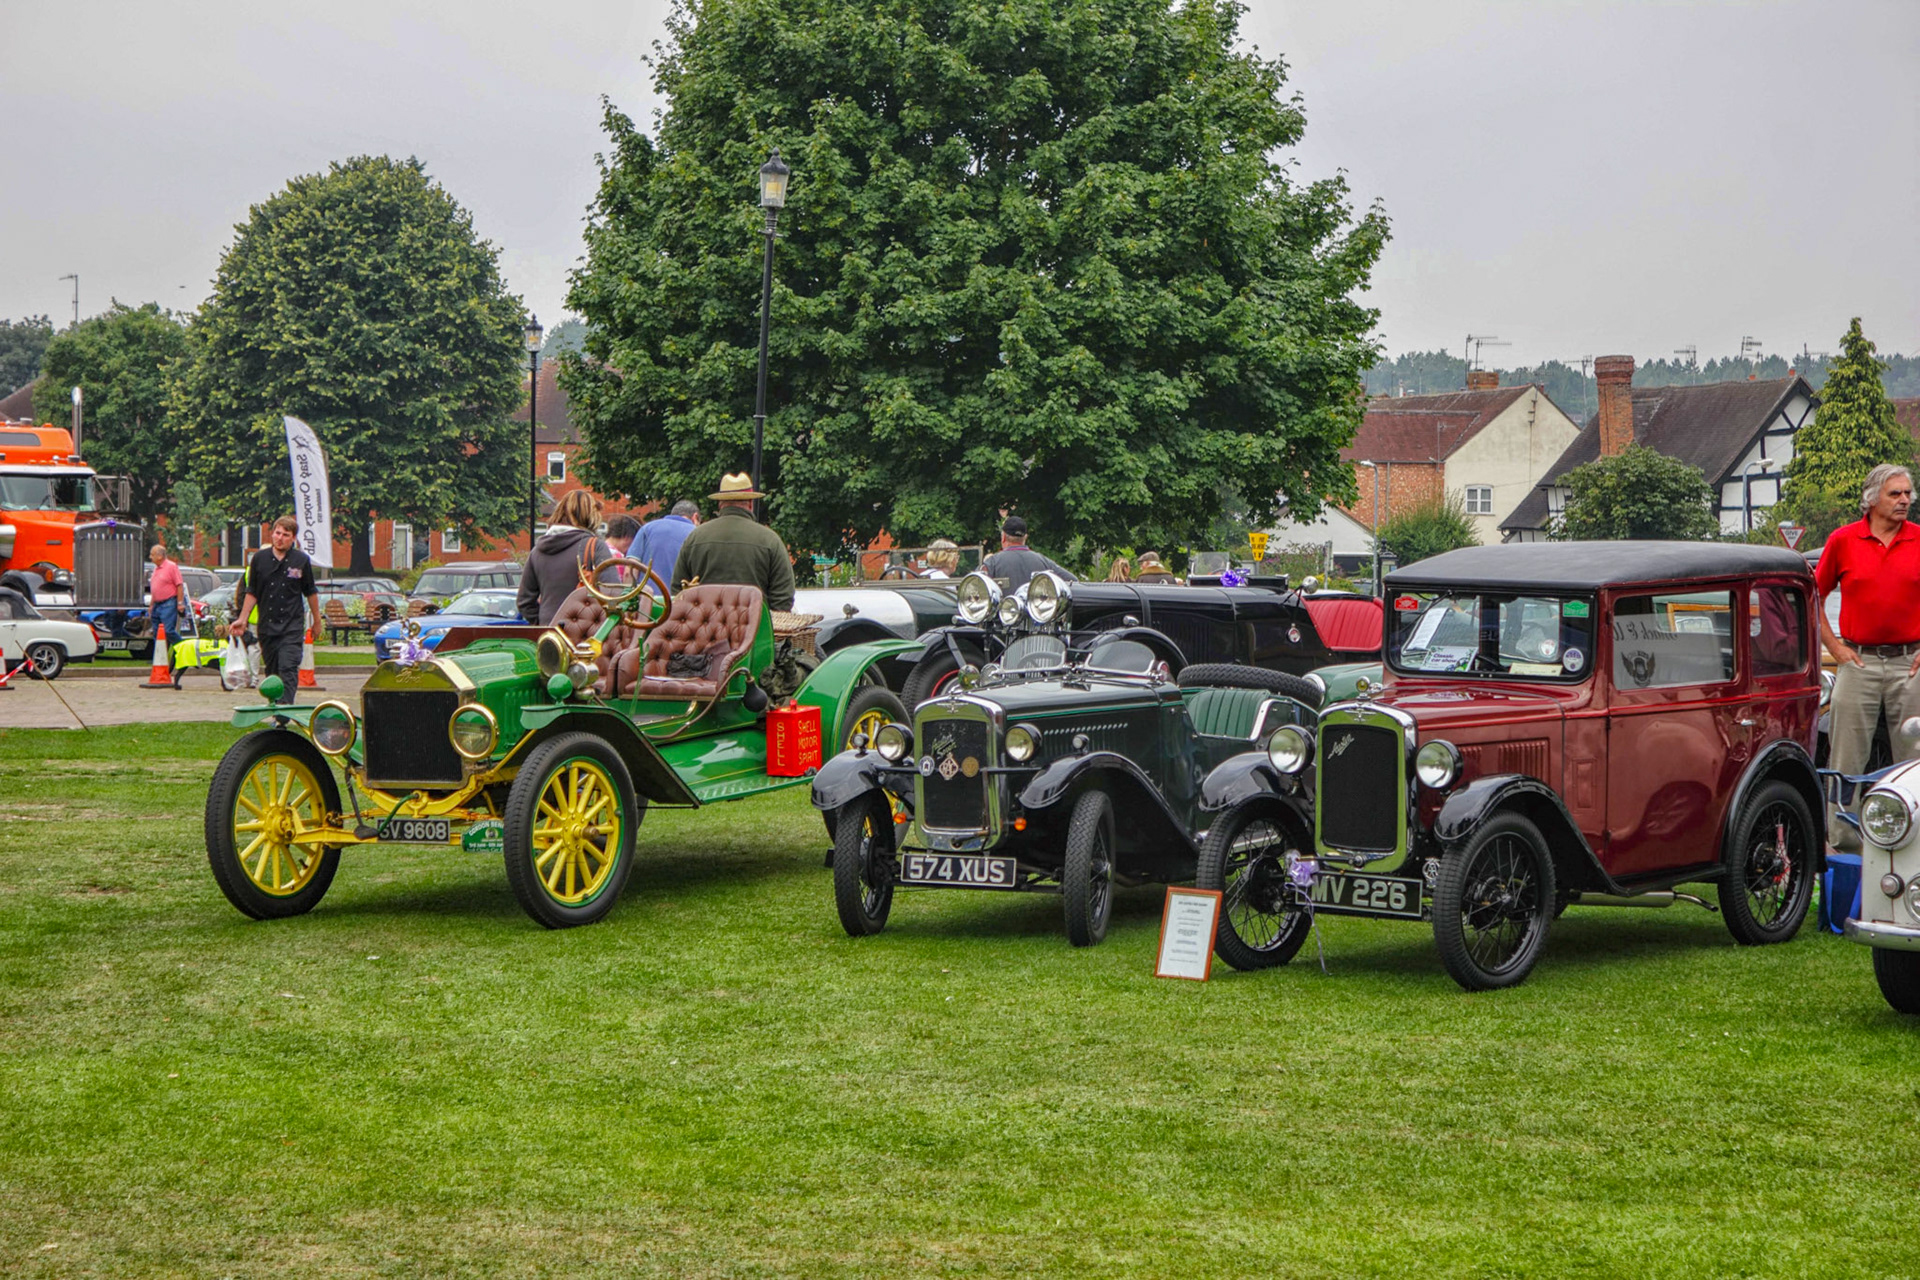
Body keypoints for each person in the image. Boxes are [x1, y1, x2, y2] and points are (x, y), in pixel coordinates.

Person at [1816, 462, 1920, 846]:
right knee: (1845, 757)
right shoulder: (1843, 541)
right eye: (1896, 494)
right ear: (1872, 498)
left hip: (1910, 664)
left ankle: (1913, 843)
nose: (1905, 500)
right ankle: (1844, 844)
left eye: (1908, 493)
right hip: (1856, 663)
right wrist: (1835, 647)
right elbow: (1813, 597)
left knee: (1915, 760)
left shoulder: (1919, 538)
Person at [227, 515, 320, 704]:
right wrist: (242, 619)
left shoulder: (300, 560)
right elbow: (251, 591)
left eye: (286, 535)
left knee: (288, 666)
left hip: (291, 625)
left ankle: (285, 709)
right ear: (272, 534)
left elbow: (310, 592)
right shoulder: (260, 559)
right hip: (267, 625)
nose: (280, 538)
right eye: (277, 533)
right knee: (273, 670)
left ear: (293, 538)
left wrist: (317, 621)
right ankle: (276, 707)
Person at [671, 473, 794, 611]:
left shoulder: (694, 538)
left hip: (705, 628)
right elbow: (783, 597)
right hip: (756, 627)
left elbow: (678, 591)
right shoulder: (770, 540)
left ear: (720, 503)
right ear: (750, 503)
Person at [518, 489, 614, 625]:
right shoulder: (595, 546)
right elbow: (613, 592)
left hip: (549, 632)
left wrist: (542, 622)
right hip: (586, 633)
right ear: (591, 516)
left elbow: (524, 602)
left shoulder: (537, 551)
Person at [980, 516, 1064, 591]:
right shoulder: (1044, 561)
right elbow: (1072, 582)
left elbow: (972, 586)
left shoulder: (992, 563)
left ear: (1003, 537)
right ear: (1025, 537)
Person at [632, 500, 700, 585]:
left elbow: (630, 570)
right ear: (695, 517)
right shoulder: (697, 533)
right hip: (680, 596)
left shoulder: (647, 528)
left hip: (647, 595)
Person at [147, 543, 188, 669]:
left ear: (160, 556)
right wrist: (151, 604)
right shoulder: (156, 569)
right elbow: (155, 587)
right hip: (157, 604)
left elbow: (179, 585)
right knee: (157, 633)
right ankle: (160, 658)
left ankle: (184, 649)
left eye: (152, 554)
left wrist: (180, 603)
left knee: (168, 630)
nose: (150, 557)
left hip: (169, 602)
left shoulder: (171, 567)